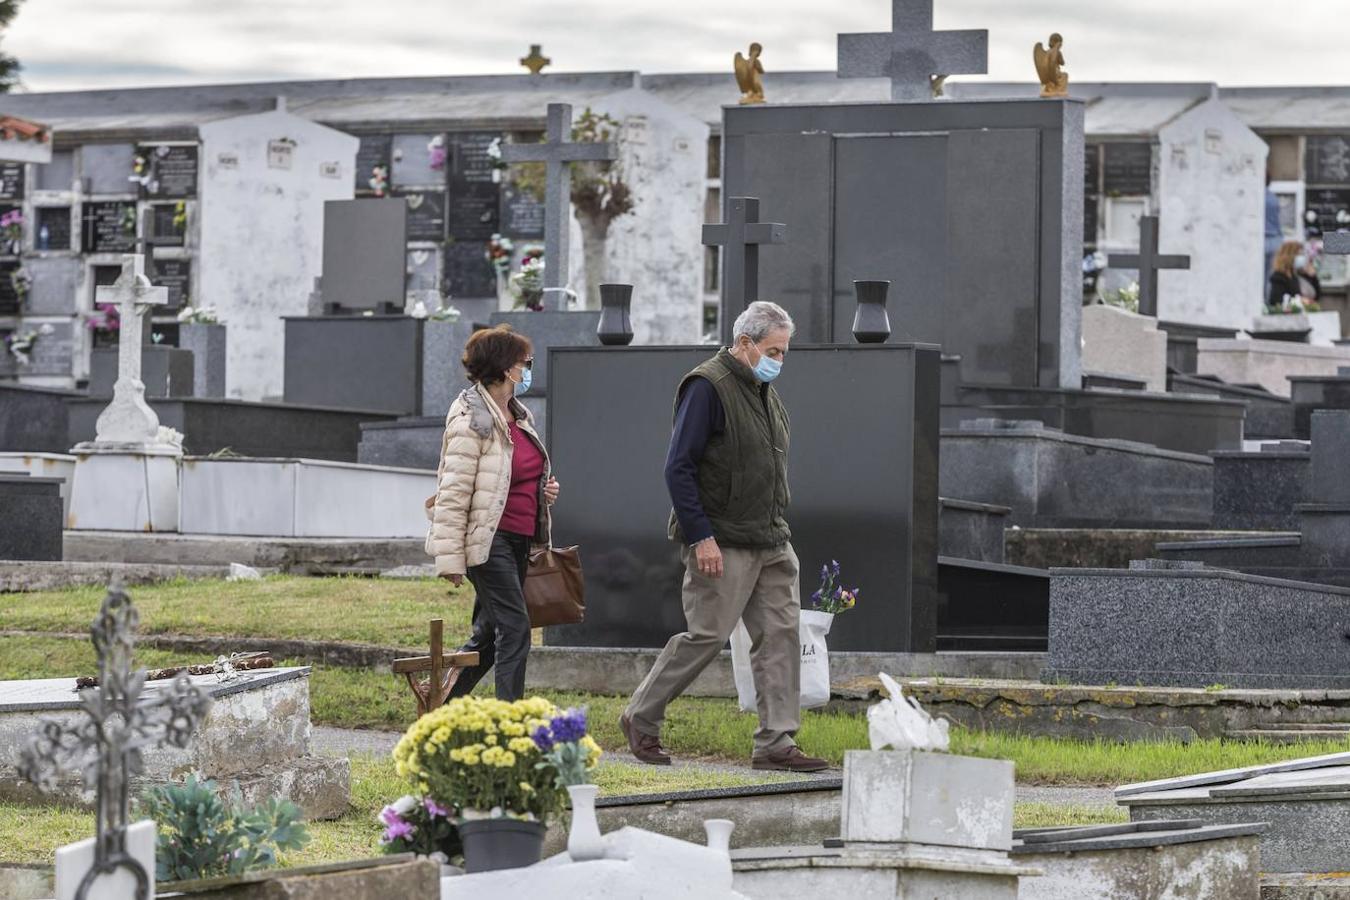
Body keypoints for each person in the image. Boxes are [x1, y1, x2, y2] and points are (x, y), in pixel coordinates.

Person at [621, 301, 828, 773]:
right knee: (707, 635)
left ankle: (776, 742)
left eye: (785, 351)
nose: (780, 359)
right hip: (723, 539)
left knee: (780, 637)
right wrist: (702, 537)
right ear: (744, 344)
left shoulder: (763, 390)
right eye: (774, 349)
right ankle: (641, 716)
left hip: (771, 538)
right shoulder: (707, 386)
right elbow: (679, 467)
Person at [425, 325, 560, 701]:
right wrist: (450, 559)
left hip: (518, 538)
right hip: (488, 542)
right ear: (504, 368)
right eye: (524, 363)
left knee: (487, 635)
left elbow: (511, 478)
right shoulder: (473, 419)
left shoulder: (517, 415)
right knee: (515, 628)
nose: (528, 369)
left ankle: (440, 704)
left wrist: (544, 491)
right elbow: (453, 493)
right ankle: (509, 721)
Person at [1268, 240, 1321, 309]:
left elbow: (1316, 296)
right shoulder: (1278, 277)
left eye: (1302, 254)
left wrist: (1313, 277)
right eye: (1299, 254)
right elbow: (1276, 300)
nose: (1302, 258)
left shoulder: (1300, 274)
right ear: (1290, 256)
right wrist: (1299, 301)